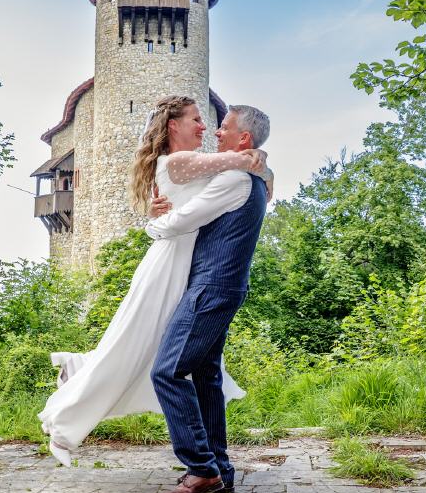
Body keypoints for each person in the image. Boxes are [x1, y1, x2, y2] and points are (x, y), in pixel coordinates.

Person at [37, 95, 272, 467]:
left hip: (187, 264)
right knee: (145, 347)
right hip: (171, 261)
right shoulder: (181, 161)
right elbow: (243, 164)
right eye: (196, 119)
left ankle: (81, 371)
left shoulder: (197, 166)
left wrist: (260, 162)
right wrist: (257, 158)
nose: (206, 127)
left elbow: (243, 174)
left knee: (154, 349)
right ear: (173, 126)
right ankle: (76, 404)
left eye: (211, 122)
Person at [145, 103, 271, 493]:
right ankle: (220, 469)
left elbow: (181, 221)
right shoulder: (248, 179)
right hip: (223, 287)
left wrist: (151, 222)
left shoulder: (234, 180)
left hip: (211, 288)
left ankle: (201, 468)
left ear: (244, 139)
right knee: (205, 376)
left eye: (225, 128)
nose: (217, 133)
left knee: (167, 371)